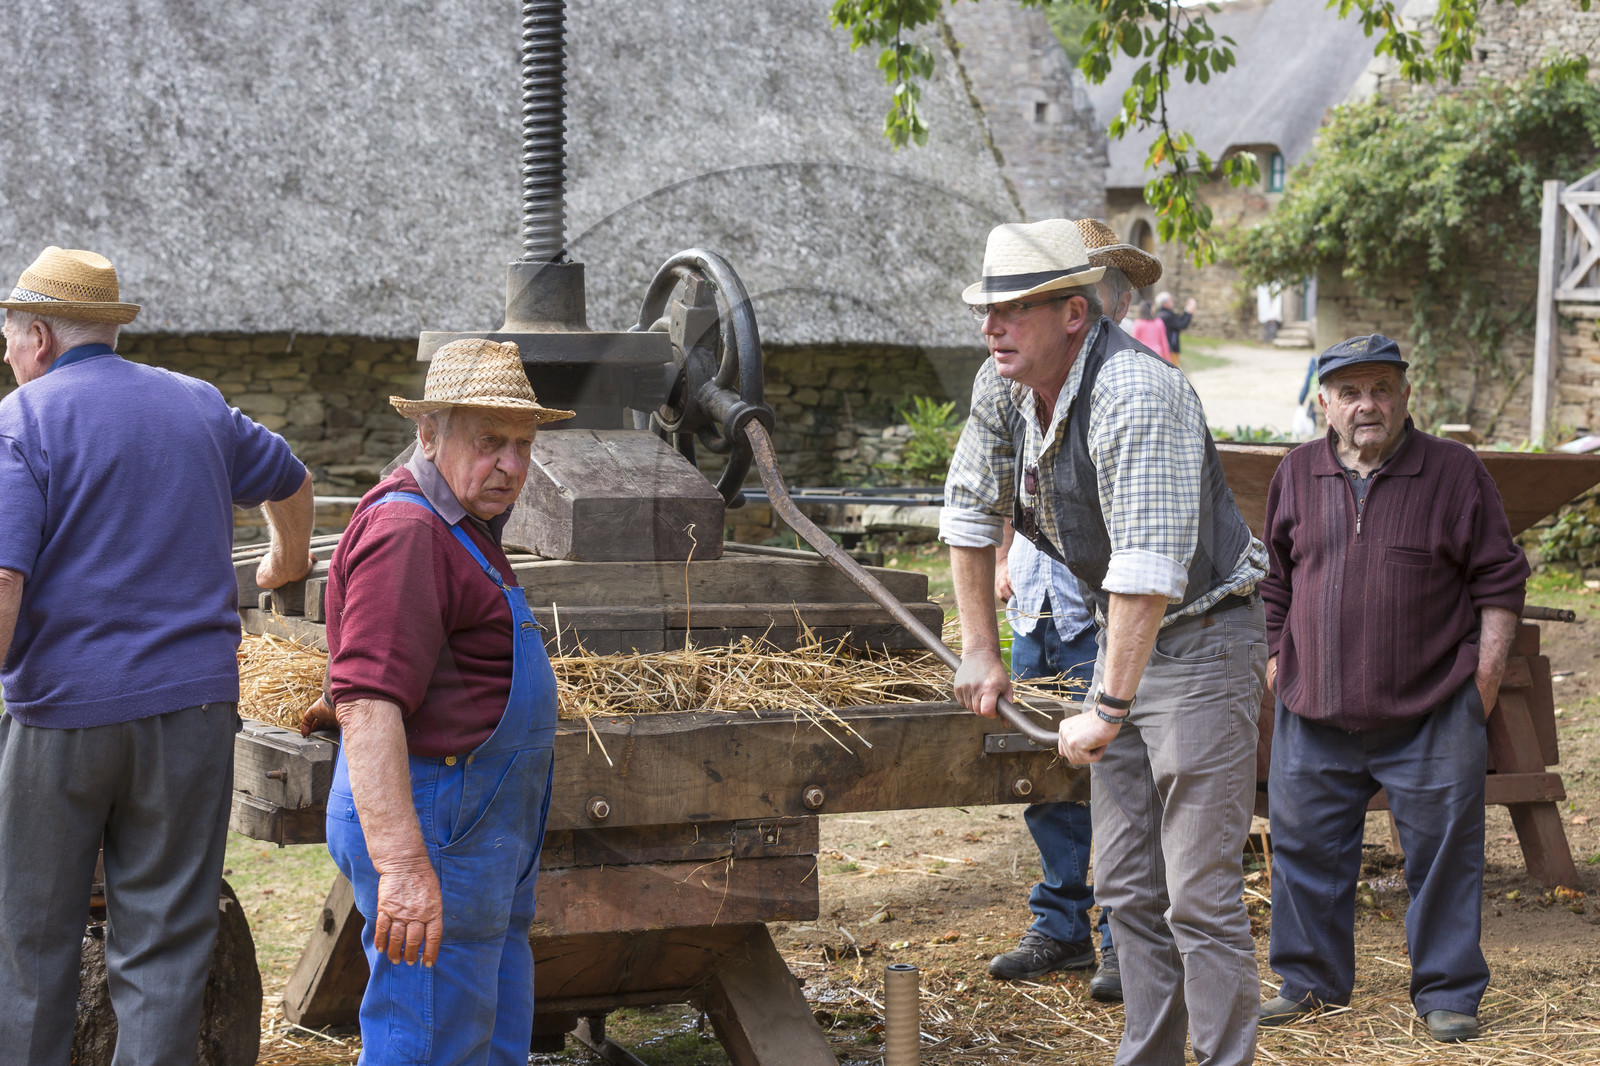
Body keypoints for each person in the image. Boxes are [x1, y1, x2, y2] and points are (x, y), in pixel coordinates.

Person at [943, 218, 1267, 1066]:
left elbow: (1151, 569)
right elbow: (969, 514)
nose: (990, 327)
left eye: (1011, 310)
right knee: (1127, 889)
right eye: (987, 310)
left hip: (1201, 642)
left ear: (1074, 316)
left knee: (1197, 892)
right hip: (1121, 645)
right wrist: (981, 647)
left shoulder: (1139, 392)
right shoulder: (1000, 387)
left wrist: (1109, 706)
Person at [0, 247, 314, 1064]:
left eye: (7, 338)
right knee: (166, 951)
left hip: (59, 720)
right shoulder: (198, 404)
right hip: (191, 716)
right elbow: (291, 479)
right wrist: (287, 558)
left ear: (38, 335)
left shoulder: (20, 422)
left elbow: (3, 583)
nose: (7, 355)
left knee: (30, 952)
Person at [308, 338, 573, 1063]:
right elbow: (365, 701)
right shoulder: (409, 531)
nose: (512, 466)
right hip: (435, 826)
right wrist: (403, 868)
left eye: (522, 445)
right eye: (491, 443)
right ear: (428, 433)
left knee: (480, 1038)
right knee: (427, 1042)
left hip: (475, 830)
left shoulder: (464, 526)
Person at [1258, 334, 1528, 1044]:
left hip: (1432, 711)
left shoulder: (1455, 472)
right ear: (1324, 402)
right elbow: (1274, 581)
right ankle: (1310, 981)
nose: (1367, 404)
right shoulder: (1296, 473)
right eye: (1350, 391)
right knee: (1304, 853)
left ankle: (1446, 991)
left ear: (1407, 394)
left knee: (1445, 859)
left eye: (1381, 388)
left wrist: (1485, 681)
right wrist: (1275, 658)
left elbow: (1499, 579)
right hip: (1313, 713)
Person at [983, 219, 1162, 1004]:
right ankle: (1060, 922)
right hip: (1036, 606)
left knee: (1118, 775)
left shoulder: (1128, 384)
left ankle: (1122, 937)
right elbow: (990, 477)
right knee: (1043, 771)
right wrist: (999, 557)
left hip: (1100, 614)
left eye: (1099, 282)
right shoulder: (1016, 380)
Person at [1156, 290, 1197, 357]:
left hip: (1168, 348)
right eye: (1170, 300)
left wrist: (1186, 310)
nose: (1172, 302)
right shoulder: (1166, 316)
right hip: (1170, 350)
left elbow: (1178, 321)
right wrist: (1189, 312)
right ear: (1165, 303)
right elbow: (1181, 325)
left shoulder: (1164, 314)